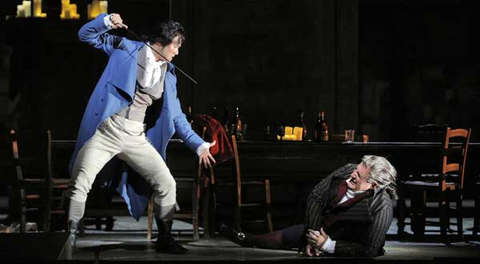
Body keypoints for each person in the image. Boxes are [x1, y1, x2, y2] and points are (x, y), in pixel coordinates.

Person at [67, 13, 216, 254]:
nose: (177, 51)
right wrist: (106, 22)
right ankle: (70, 237)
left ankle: (165, 238)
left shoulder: (168, 72)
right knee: (80, 181)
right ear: (161, 42)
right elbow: (85, 35)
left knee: (166, 183)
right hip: (106, 132)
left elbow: (176, 114)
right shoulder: (125, 48)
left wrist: (197, 144)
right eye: (176, 45)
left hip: (135, 136)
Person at [222, 155, 397, 257]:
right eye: (356, 170)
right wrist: (313, 237)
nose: (352, 175)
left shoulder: (382, 206)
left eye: (359, 176)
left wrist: (328, 245)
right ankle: (244, 238)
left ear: (374, 185)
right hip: (322, 229)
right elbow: (316, 196)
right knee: (281, 237)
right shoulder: (348, 170)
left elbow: (371, 249)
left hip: (346, 244)